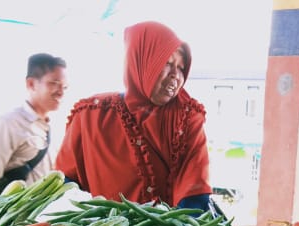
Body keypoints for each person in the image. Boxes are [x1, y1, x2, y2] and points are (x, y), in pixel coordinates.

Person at [55, 21, 213, 212]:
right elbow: (65, 186)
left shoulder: (186, 118)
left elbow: (194, 195)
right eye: (167, 63)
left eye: (181, 68)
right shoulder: (90, 116)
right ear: (140, 61)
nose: (175, 76)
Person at [0, 53, 68, 196]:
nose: (61, 92)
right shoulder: (9, 123)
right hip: (9, 216)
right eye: (54, 83)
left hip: (37, 217)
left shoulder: (54, 128)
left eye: (65, 87)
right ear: (31, 84)